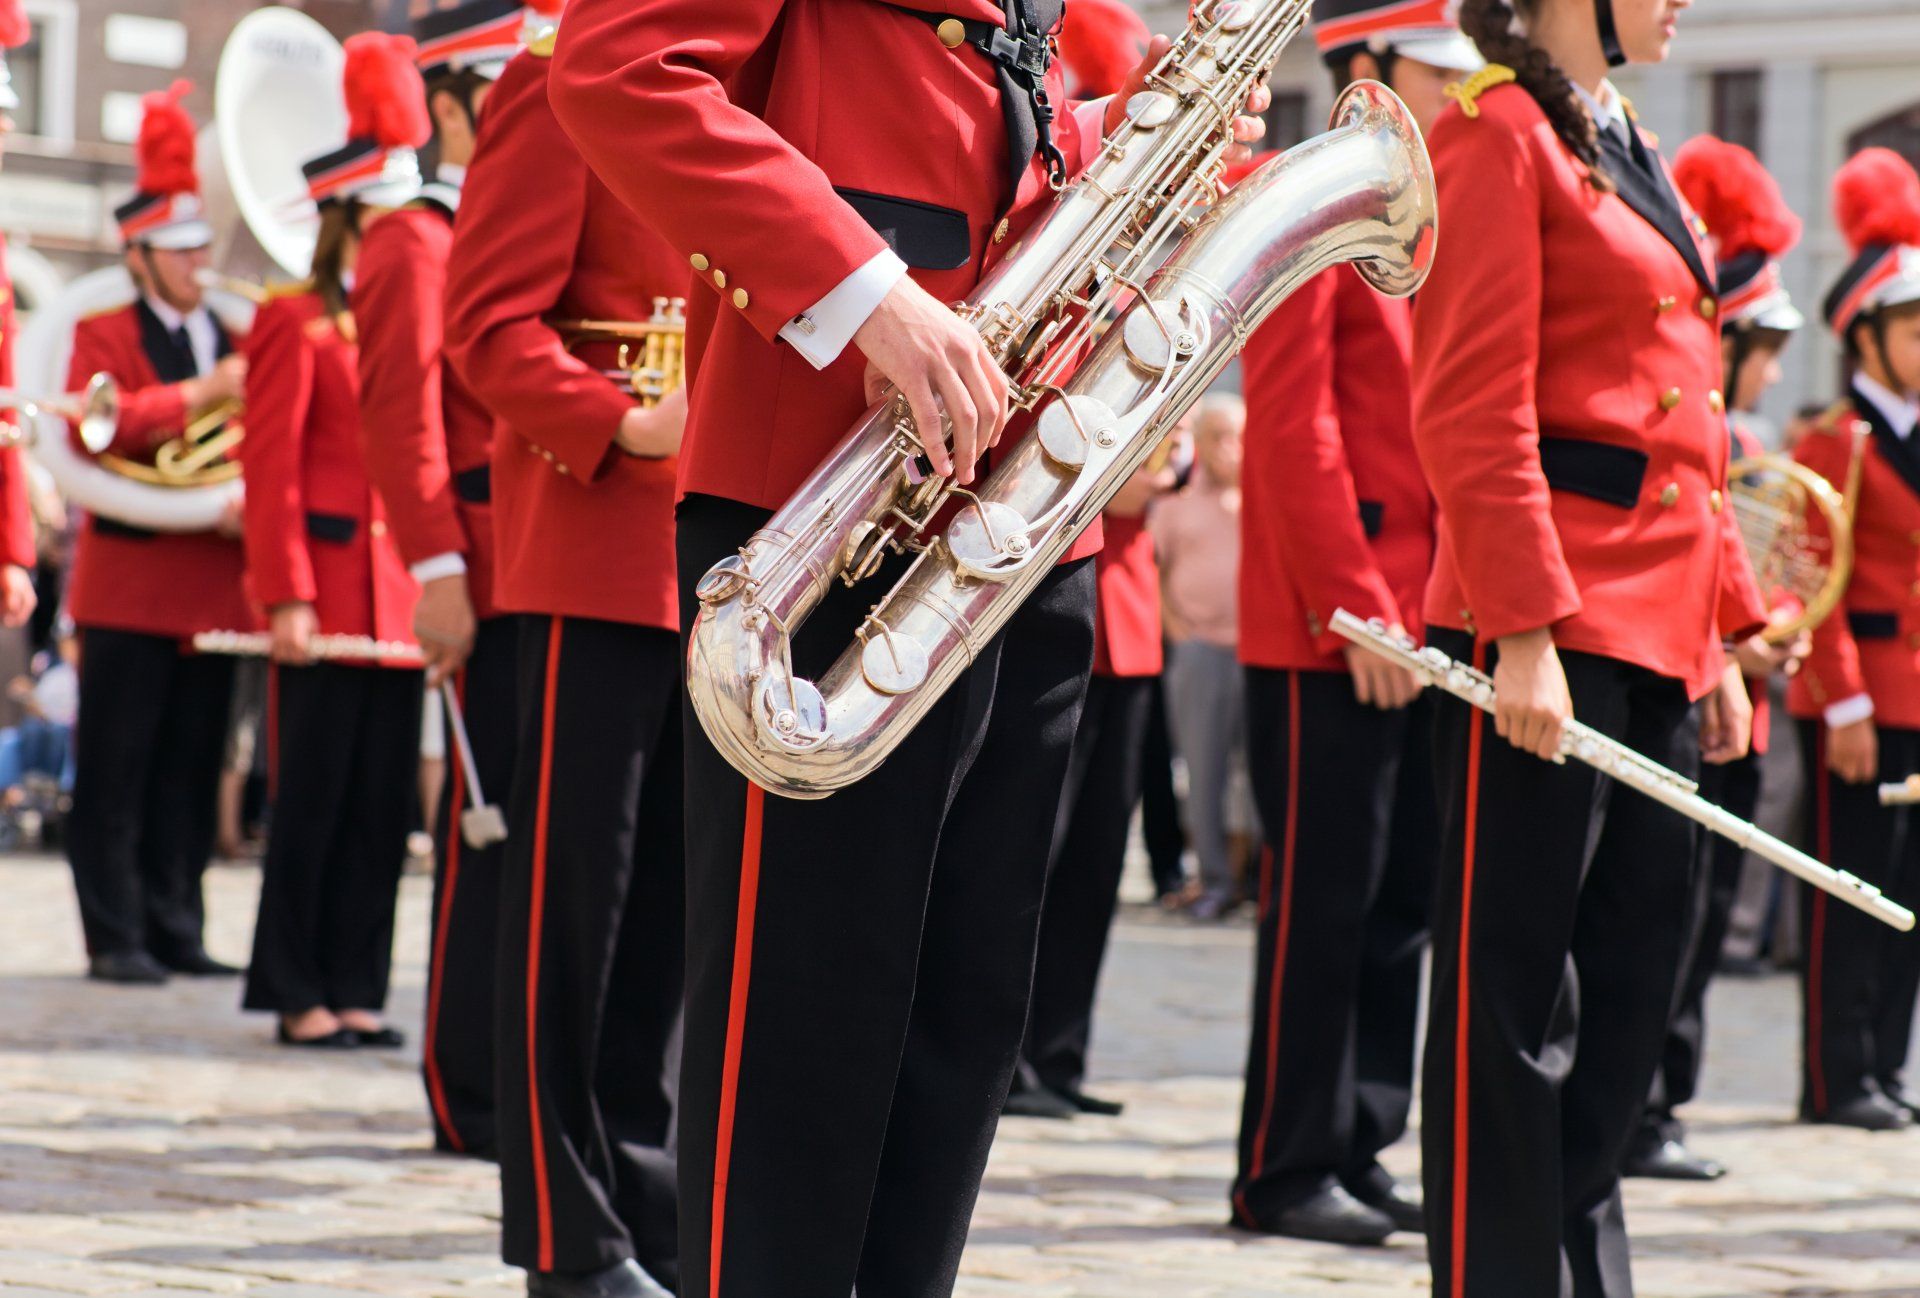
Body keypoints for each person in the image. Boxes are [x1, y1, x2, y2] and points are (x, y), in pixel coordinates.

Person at [546, 5, 1266, 1296]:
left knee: (961, 1019)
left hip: (1024, 508)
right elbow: (620, 69)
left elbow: (978, 119)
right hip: (828, 499)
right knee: (808, 1027)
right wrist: (869, 295)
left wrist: (1129, 137)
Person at [1414, 0, 1769, 1292]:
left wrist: (1721, 630)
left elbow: (1692, 419)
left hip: (1660, 631)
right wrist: (1518, 627)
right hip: (1546, 628)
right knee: (1512, 1012)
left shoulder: (1623, 138)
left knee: (1629, 998)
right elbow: (1472, 399)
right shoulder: (1495, 131)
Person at [442, 14, 689, 1293]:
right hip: (595, 546)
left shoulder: (745, 86)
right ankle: (564, 1233)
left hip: (723, 563)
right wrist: (627, 425)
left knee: (673, 921)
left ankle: (650, 1204)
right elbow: (487, 326)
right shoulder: (554, 80)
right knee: (571, 915)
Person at [1226, 0, 1474, 1245]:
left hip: (1419, 612)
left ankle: (1362, 1137)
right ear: (1369, 62)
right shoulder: (1308, 194)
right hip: (1331, 620)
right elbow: (1292, 424)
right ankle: (1284, 1163)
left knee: (1400, 898)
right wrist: (1358, 610)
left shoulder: (1426, 203)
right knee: (1323, 901)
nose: (1456, 94)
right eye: (1436, 72)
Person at [354, 0, 531, 1160]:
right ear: (462, 106)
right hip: (479, 563)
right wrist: (435, 569)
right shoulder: (414, 238)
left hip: (541, 556)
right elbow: (404, 423)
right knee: (488, 833)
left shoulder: (504, 221)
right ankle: (468, 1085)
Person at [239, 33, 426, 1050]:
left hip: (398, 598)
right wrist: (286, 594)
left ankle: (357, 984)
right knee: (310, 802)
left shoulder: (407, 315)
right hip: (323, 595)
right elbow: (269, 468)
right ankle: (295, 987)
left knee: (380, 806)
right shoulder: (294, 321)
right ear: (353, 215)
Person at [1628, 134, 1809, 1180]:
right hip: (1689, 679)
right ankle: (1643, 1106)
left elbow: (1762, 561)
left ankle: (1665, 1101)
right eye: (1762, 345)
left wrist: (1776, 623)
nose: (1773, 369)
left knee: (1698, 917)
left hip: (1740, 685)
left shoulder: (1752, 439)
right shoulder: (1700, 433)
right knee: (1666, 911)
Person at [64, 80, 252, 986]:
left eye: (200, 246)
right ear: (137, 256)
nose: (196, 264)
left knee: (190, 765)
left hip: (212, 581)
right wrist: (201, 395)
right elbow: (94, 429)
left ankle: (177, 923)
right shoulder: (99, 329)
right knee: (117, 767)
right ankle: (115, 934)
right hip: (130, 584)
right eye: (178, 251)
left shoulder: (233, 332)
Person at [1785, 146, 1920, 1133]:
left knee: (1909, 892)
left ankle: (1883, 1062)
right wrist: (1844, 704)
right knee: (1850, 887)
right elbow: (1812, 584)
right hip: (1861, 696)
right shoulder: (1834, 439)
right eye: (1913, 326)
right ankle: (1835, 1077)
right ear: (1865, 337)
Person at [1008, 448, 1176, 1122]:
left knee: (1094, 864)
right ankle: (1006, 1062)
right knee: (1032, 860)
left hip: (1128, 623)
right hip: (1059, 604)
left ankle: (1057, 1056)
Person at [1156, 395, 1255, 922]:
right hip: (1199, 650)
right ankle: (1213, 880)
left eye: (1237, 436)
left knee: (1256, 773)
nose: (1228, 448)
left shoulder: (1261, 498)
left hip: (1256, 650)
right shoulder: (1177, 502)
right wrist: (1178, 629)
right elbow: (1155, 569)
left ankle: (1253, 878)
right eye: (1217, 436)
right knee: (1204, 769)